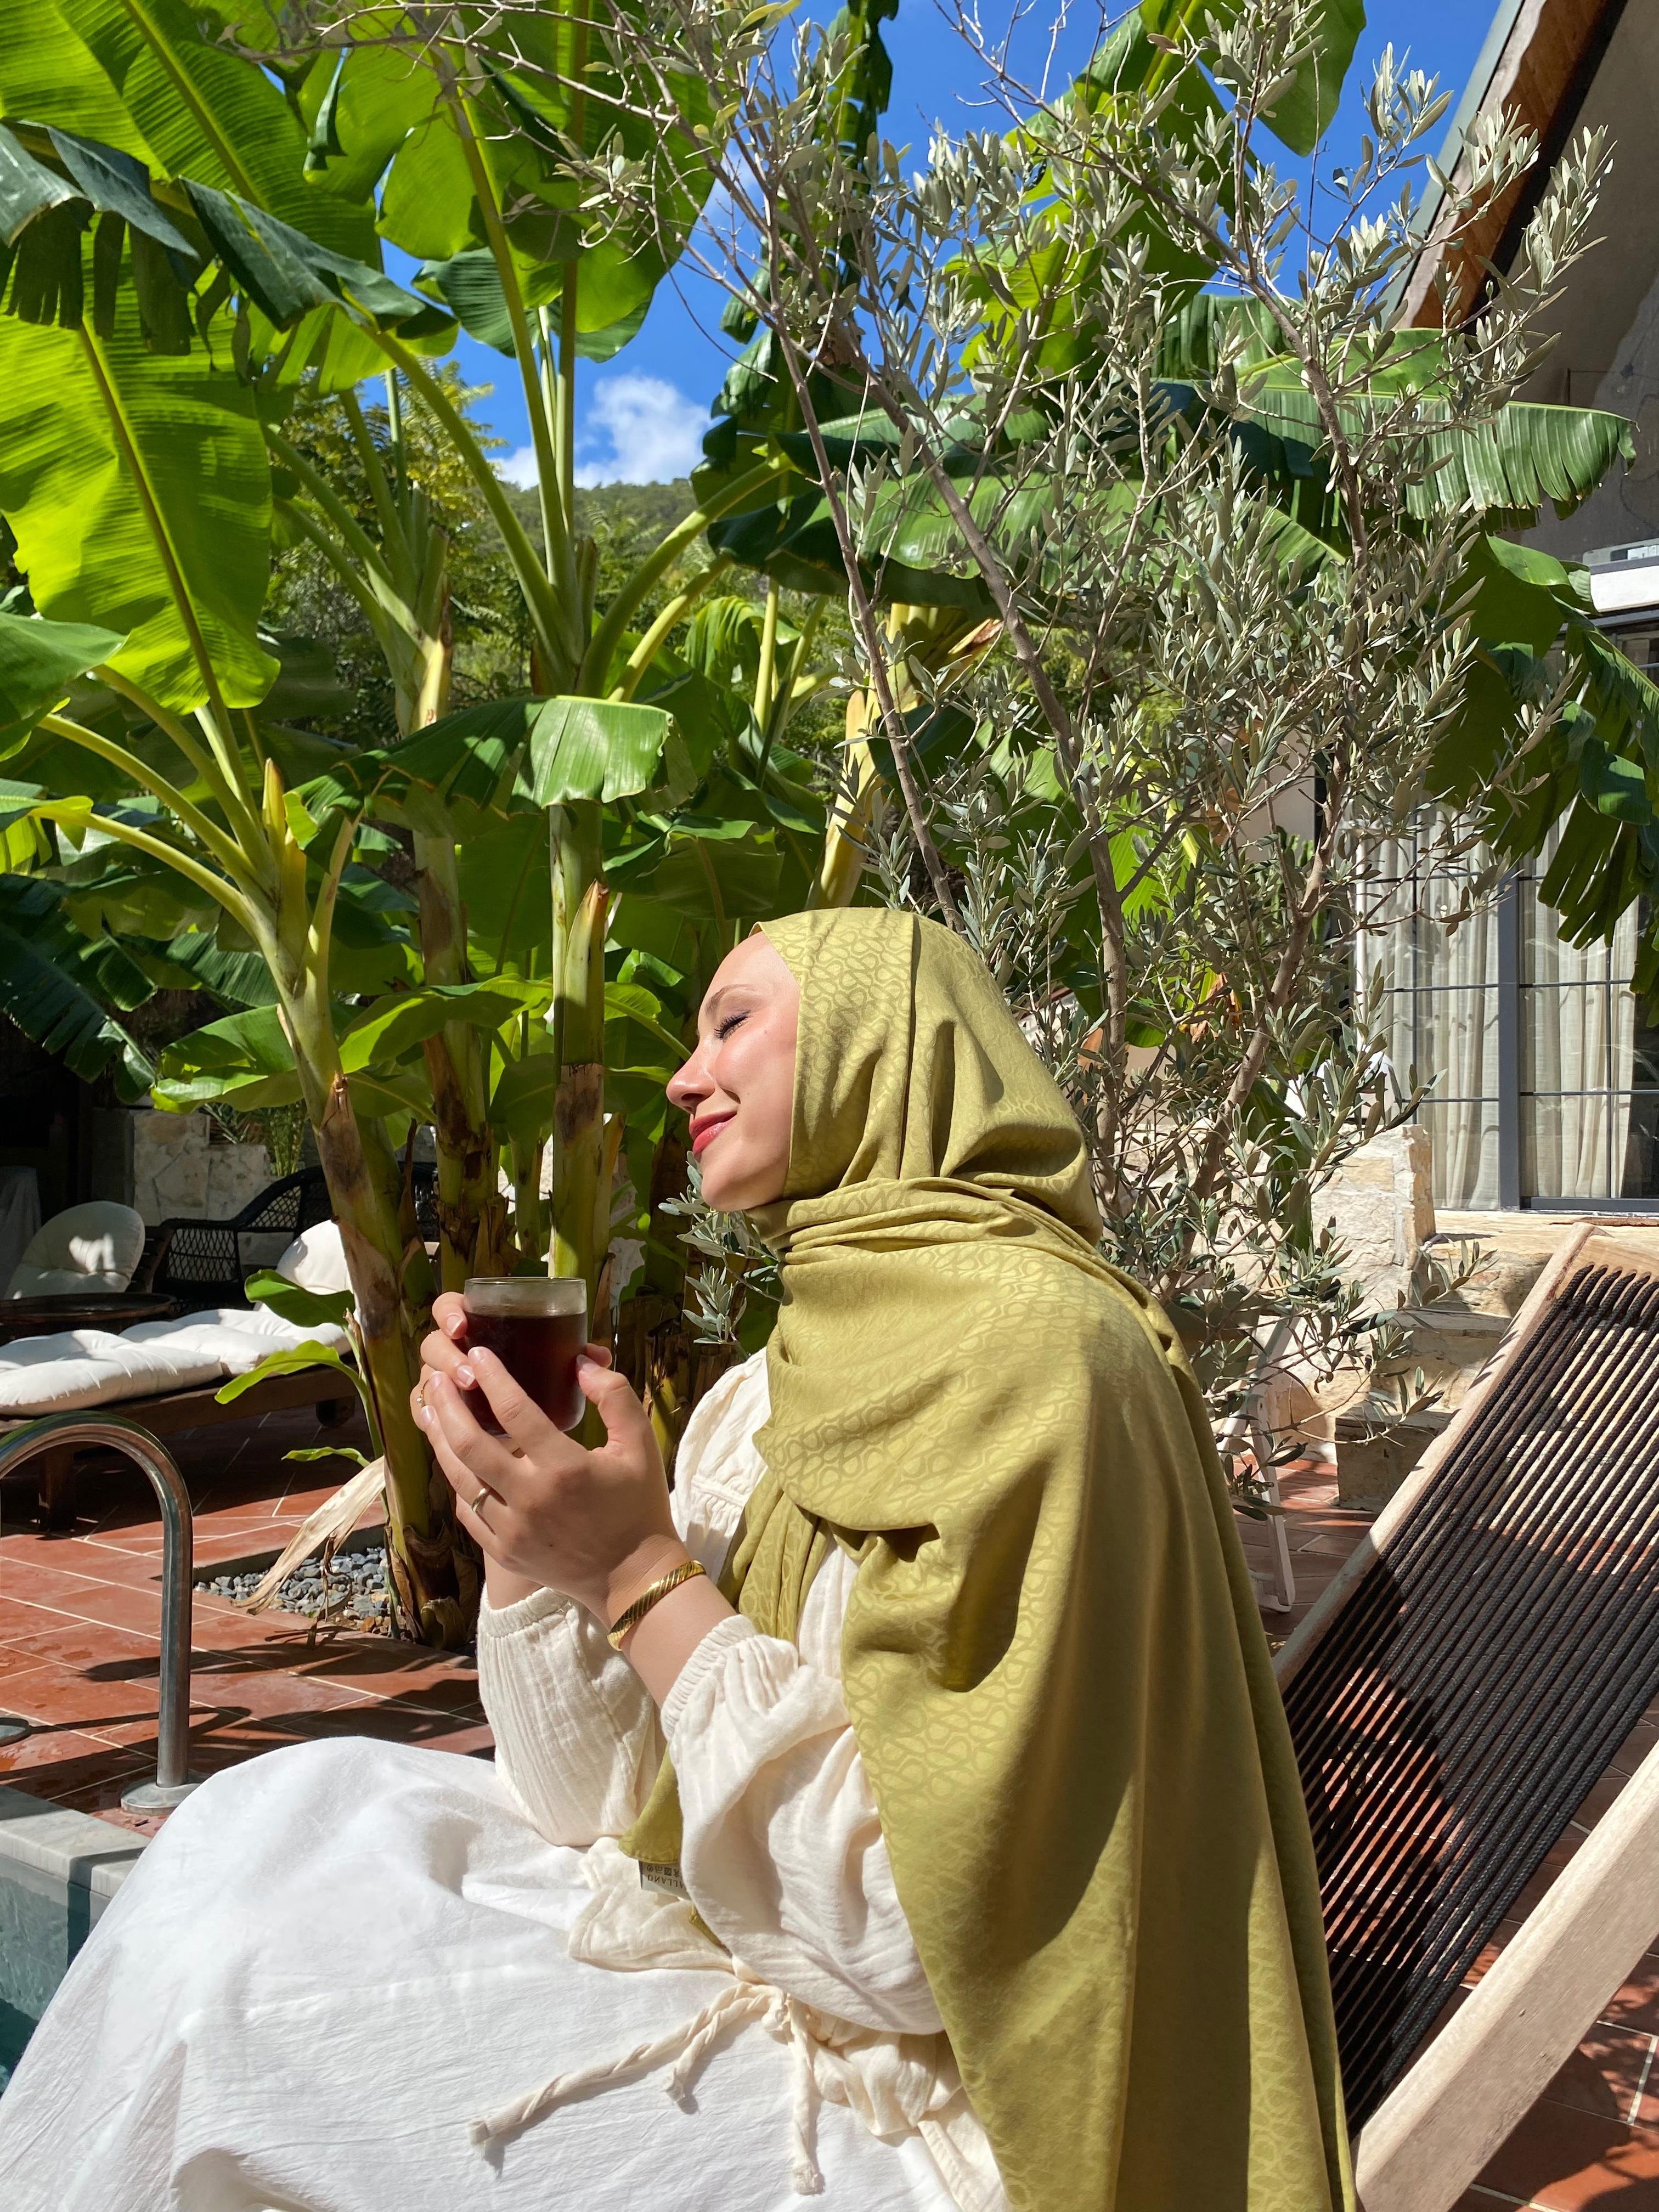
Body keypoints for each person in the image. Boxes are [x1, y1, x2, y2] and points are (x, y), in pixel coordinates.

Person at [0, 909, 1351, 2212]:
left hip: (940, 2105)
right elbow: (596, 1802)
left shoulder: (1046, 1365)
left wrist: (642, 1578)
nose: (685, 1075)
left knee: (230, 2006)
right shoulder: (777, 1382)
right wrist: (533, 1542)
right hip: (752, 1954)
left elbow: (917, 1941)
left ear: (877, 1045)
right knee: (255, 1825)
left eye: (732, 1023)